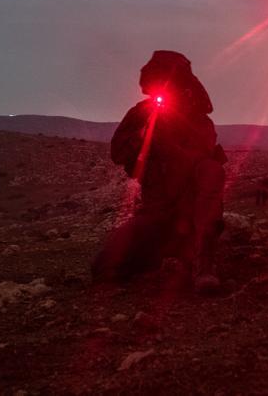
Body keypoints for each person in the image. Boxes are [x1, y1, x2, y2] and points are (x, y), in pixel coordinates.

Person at [92, 51, 227, 294]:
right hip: (157, 208)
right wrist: (143, 136)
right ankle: (162, 255)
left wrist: (173, 147)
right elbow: (118, 153)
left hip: (189, 209)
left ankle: (203, 265)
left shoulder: (198, 119)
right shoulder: (142, 114)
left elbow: (205, 158)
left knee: (211, 172)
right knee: (106, 266)